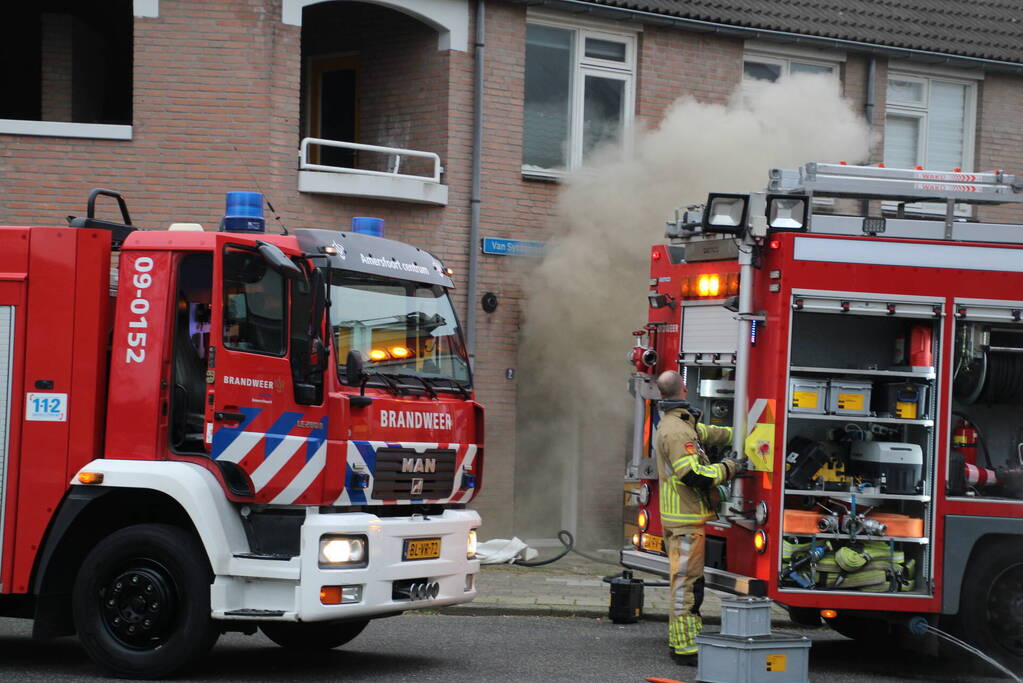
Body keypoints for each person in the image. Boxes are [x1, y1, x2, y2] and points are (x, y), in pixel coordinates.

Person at [654, 370, 746, 665]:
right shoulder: (678, 430)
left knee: (689, 582)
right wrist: (730, 468)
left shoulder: (678, 422)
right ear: (682, 387)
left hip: (681, 517)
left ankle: (682, 640)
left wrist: (741, 434)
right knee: (686, 584)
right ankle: (684, 647)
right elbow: (693, 474)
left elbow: (705, 433)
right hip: (685, 520)